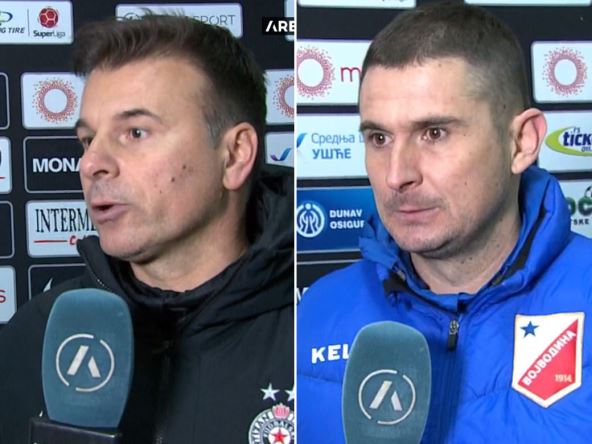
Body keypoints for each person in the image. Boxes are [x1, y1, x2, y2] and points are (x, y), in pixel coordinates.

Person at [298, 2, 592, 443]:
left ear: (521, 142)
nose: (397, 175)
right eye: (379, 138)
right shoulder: (315, 313)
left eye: (434, 133)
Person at [0, 15, 293, 444]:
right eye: (87, 139)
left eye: (135, 132)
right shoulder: (35, 334)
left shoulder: (319, 336)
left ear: (233, 155)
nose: (91, 163)